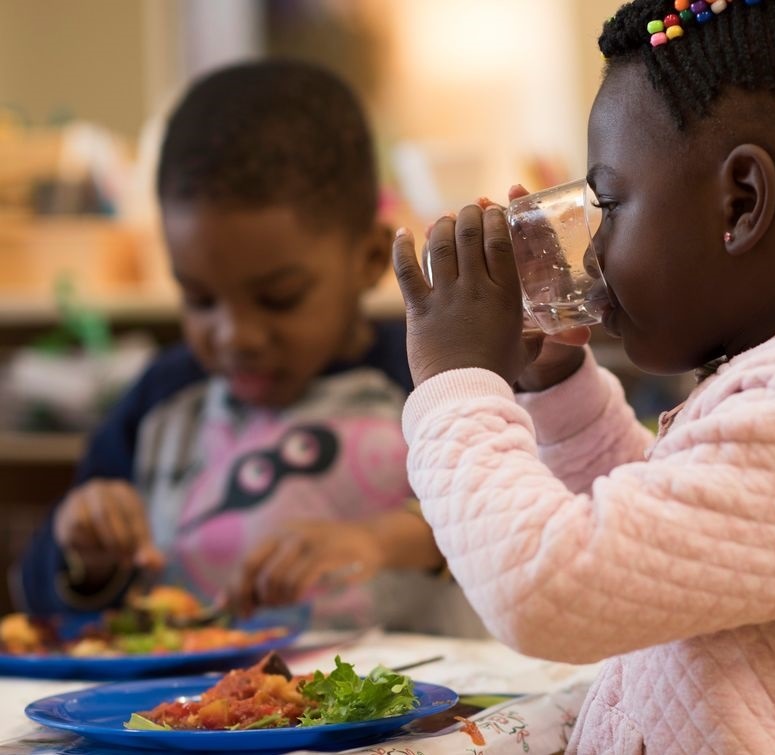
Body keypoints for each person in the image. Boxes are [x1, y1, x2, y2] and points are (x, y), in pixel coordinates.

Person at [390, 0, 775, 752]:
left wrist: (455, 381)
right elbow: (649, 548)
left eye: (606, 204)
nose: (589, 249)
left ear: (739, 203)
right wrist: (557, 389)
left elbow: (548, 590)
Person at [16, 60, 462, 633]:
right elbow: (41, 591)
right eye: (199, 299)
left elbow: (512, 523)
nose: (236, 335)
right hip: (188, 712)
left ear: (371, 260)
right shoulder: (164, 400)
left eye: (280, 298)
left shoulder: (427, 380)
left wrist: (384, 539)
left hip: (404, 711)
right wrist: (83, 549)